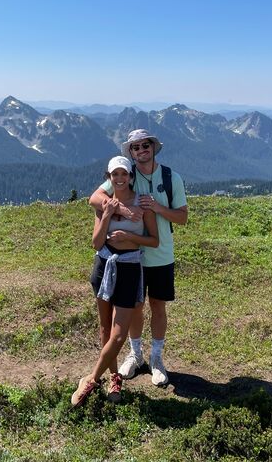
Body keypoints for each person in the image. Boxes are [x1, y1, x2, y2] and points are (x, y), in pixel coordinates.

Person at [88, 129, 188, 387]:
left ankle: (156, 359)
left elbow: (182, 217)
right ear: (130, 152)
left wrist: (157, 207)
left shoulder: (170, 177)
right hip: (131, 259)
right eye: (135, 147)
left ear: (154, 147)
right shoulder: (125, 173)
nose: (141, 150)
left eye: (145, 145)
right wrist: (123, 210)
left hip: (160, 254)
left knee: (157, 306)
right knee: (134, 309)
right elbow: (95, 198)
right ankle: (136, 355)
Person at [71, 155, 159, 407]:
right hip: (104, 266)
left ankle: (90, 379)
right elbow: (96, 243)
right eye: (114, 175)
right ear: (109, 177)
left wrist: (131, 239)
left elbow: (154, 240)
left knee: (119, 334)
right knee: (105, 329)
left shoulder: (142, 205)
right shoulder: (104, 204)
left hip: (130, 268)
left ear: (131, 176)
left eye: (124, 174)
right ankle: (113, 377)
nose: (120, 179)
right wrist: (108, 215)